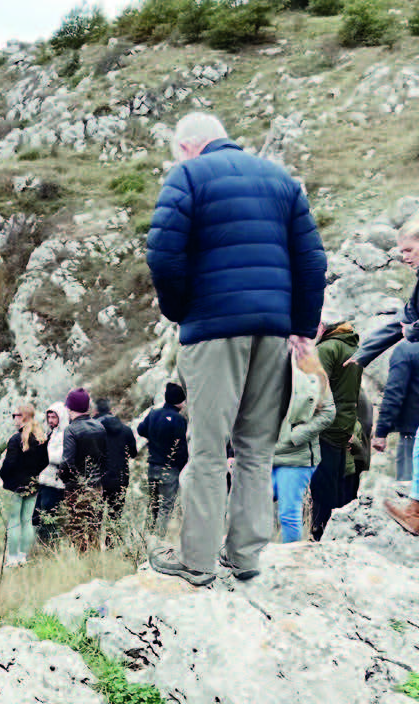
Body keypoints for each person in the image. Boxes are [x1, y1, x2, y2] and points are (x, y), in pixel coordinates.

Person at [144, 112, 326, 585]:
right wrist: (301, 326)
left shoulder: (187, 175)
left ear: (187, 147)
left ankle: (198, 561)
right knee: (256, 449)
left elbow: (163, 252)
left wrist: (183, 310)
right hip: (273, 330)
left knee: (207, 449)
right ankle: (244, 557)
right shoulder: (281, 180)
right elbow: (311, 260)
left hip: (213, 330)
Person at [355, 215, 419, 369]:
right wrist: (361, 356)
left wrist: (413, 330)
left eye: (409, 250)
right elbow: (409, 314)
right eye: (402, 252)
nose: (405, 258)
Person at [272, 351, 334, 543]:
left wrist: (295, 436)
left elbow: (329, 412)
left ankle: (291, 564)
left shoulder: (311, 368)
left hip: (295, 456)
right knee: (248, 509)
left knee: (288, 513)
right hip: (258, 454)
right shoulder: (255, 362)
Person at [310, 320, 363, 540]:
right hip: (344, 421)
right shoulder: (351, 347)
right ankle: (333, 529)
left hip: (326, 425)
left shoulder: (327, 349)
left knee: (322, 482)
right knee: (337, 477)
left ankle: (319, 530)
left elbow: (315, 389)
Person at [373, 336, 419, 483]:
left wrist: (381, 431)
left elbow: (394, 393)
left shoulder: (407, 348)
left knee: (407, 488)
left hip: (414, 431)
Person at [0, 401, 49, 567]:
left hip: (16, 485)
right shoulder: (41, 438)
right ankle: (23, 556)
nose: (13, 418)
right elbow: (45, 462)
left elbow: (9, 463)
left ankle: (12, 558)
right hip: (33, 484)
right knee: (27, 520)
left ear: (23, 417)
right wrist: (34, 475)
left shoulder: (15, 439)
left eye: (15, 415)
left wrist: (3, 476)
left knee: (14, 521)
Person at [57, 387, 108, 545]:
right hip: (97, 486)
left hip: (77, 489)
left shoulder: (71, 430)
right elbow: (105, 458)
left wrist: (63, 477)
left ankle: (83, 566)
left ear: (70, 408)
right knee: (94, 530)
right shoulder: (100, 427)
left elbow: (68, 463)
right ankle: (95, 564)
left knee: (78, 533)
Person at [137, 383, 190, 529]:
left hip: (152, 467)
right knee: (165, 509)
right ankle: (158, 541)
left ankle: (148, 537)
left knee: (153, 506)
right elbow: (181, 448)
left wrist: (154, 436)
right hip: (170, 469)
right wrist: (183, 466)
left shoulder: (153, 413)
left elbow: (141, 430)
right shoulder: (179, 420)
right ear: (178, 401)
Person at [95, 398, 138, 520]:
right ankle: (112, 539)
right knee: (115, 517)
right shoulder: (126, 430)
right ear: (110, 410)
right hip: (120, 478)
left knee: (95, 519)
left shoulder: (94, 430)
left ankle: (94, 540)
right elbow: (133, 453)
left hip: (98, 480)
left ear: (96, 411)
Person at [33, 403, 69, 545]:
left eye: (53, 417)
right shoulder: (52, 433)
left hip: (55, 483)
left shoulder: (66, 434)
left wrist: (42, 455)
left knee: (48, 517)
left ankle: (48, 547)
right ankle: (42, 547)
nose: (50, 420)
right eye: (48, 417)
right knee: (37, 517)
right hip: (45, 481)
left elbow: (61, 457)